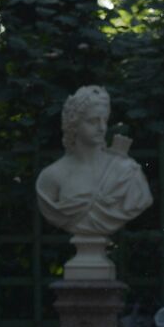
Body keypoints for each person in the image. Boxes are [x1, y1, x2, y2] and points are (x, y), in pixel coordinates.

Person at [35, 86, 153, 239]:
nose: (102, 128)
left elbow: (141, 200)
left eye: (105, 120)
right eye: (93, 121)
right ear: (74, 124)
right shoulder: (51, 176)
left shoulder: (127, 170)